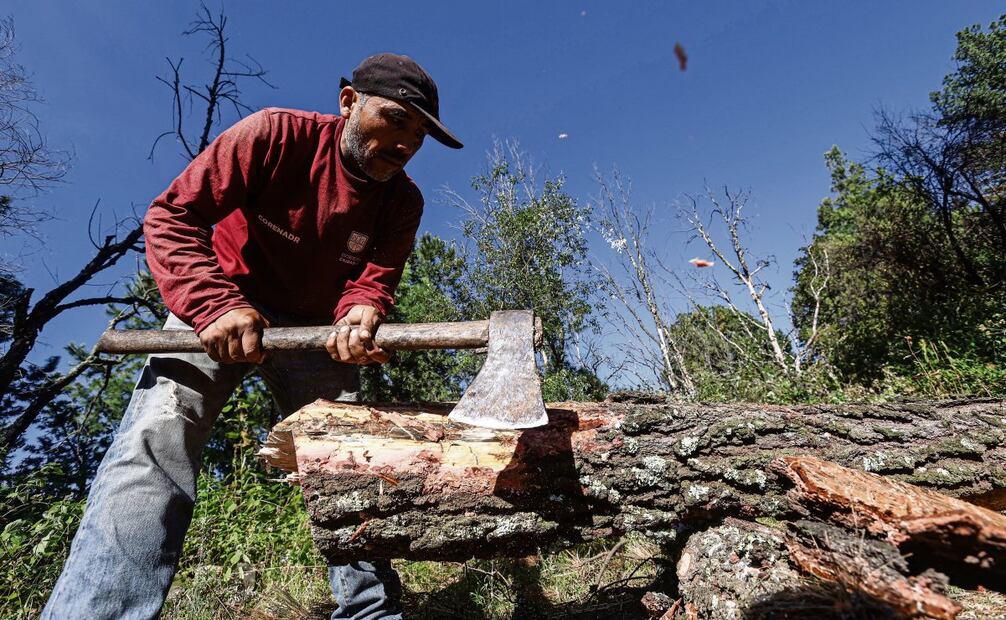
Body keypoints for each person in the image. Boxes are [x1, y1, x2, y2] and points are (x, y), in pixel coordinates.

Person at [42, 52, 463, 620]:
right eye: (396, 119)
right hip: (219, 310)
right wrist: (214, 304)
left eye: (419, 133)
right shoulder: (275, 135)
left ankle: (371, 611)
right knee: (154, 441)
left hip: (314, 333)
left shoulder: (403, 200)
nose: (406, 143)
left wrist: (358, 315)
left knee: (347, 462)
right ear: (348, 104)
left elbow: (372, 282)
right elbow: (173, 218)